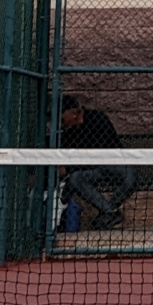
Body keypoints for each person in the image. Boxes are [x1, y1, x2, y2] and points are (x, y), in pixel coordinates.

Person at [58, 96, 135, 231]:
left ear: (73, 113)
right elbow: (69, 163)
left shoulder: (98, 119)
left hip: (114, 164)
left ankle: (108, 212)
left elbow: (100, 153)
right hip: (95, 171)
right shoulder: (69, 133)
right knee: (76, 179)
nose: (61, 122)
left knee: (130, 179)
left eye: (62, 118)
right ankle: (110, 213)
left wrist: (71, 166)